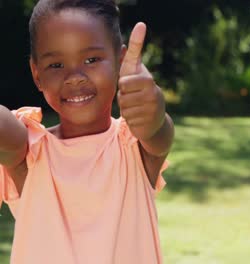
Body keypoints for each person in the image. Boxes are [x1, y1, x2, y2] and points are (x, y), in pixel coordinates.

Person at [0, 0, 174, 263]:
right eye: (56, 65)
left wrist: (154, 109)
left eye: (91, 59)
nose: (75, 76)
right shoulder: (30, 154)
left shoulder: (133, 146)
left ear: (120, 60)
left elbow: (158, 133)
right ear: (36, 74)